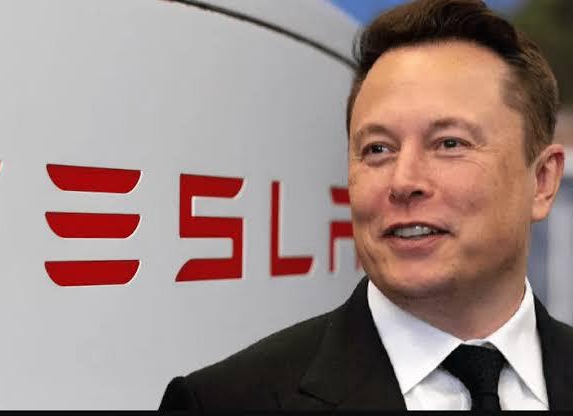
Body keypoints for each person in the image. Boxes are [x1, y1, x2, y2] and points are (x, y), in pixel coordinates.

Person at [158, 0, 572, 410]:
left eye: (449, 143)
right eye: (377, 149)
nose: (403, 181)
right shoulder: (222, 400)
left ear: (542, 181)